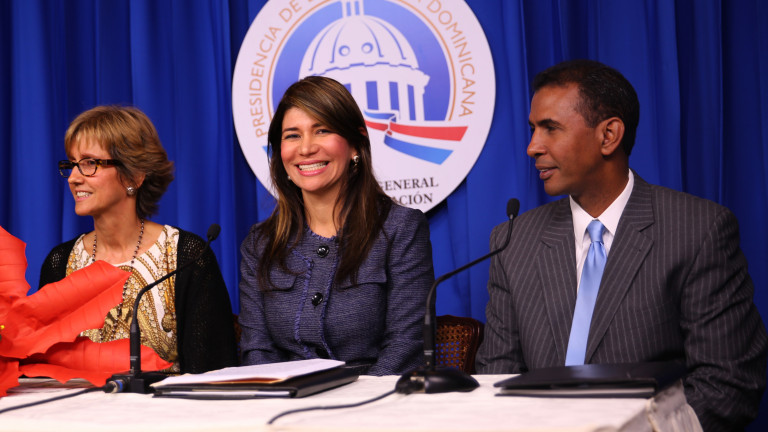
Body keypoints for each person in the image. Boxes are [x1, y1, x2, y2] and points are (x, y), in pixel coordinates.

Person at [476, 59, 767, 430]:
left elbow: (727, 385)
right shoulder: (513, 240)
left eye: (550, 128)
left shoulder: (699, 230)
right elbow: (496, 378)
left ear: (609, 135)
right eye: (533, 129)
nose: (532, 146)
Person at [238, 76, 434, 376]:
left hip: (375, 400)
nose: (306, 148)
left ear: (355, 144)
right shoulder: (259, 244)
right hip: (284, 402)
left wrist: (354, 404)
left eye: (322, 130)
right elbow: (257, 352)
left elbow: (405, 347)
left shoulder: (400, 229)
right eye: (292, 135)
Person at [40, 105, 237, 374]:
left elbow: (212, 375)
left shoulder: (186, 257)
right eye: (71, 164)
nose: (73, 178)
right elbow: (44, 369)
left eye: (89, 164)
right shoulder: (59, 263)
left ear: (134, 175)